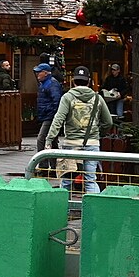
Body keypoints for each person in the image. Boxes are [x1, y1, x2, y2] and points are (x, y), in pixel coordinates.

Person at [46, 65, 115, 195]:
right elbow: (108, 122)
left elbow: (58, 119)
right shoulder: (97, 98)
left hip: (71, 144)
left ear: (73, 81)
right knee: (90, 180)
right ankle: (93, 207)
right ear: (89, 81)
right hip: (92, 143)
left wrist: (49, 139)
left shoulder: (67, 97)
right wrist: (98, 134)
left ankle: (63, 206)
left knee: (67, 180)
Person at [34, 62, 63, 152]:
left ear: (45, 73)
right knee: (52, 139)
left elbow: (56, 101)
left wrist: (49, 111)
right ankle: (54, 159)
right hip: (47, 115)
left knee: (41, 139)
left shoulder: (51, 84)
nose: (37, 74)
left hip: (49, 116)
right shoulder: (45, 83)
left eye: (39, 72)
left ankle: (42, 159)